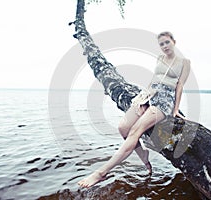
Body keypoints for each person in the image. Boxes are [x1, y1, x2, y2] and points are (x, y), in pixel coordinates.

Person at [78, 31, 191, 188]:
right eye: (161, 44)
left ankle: (101, 173)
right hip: (150, 95)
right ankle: (144, 156)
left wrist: (176, 110)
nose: (164, 46)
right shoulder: (160, 59)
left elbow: (179, 87)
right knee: (123, 127)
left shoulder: (185, 62)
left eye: (167, 42)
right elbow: (154, 79)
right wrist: (145, 99)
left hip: (165, 100)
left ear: (174, 41)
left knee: (135, 131)